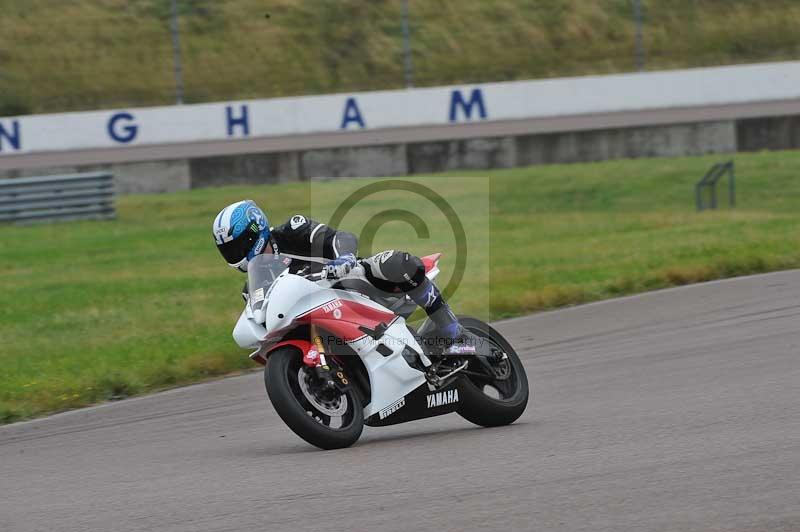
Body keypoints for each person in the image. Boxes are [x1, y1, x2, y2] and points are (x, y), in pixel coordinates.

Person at [211, 199, 473, 353]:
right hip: (322, 318)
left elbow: (341, 237)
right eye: (228, 251)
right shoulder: (254, 285)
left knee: (395, 262)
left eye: (237, 246)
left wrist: (344, 258)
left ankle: (455, 333)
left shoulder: (292, 230)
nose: (235, 254)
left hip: (352, 283)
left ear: (254, 232)